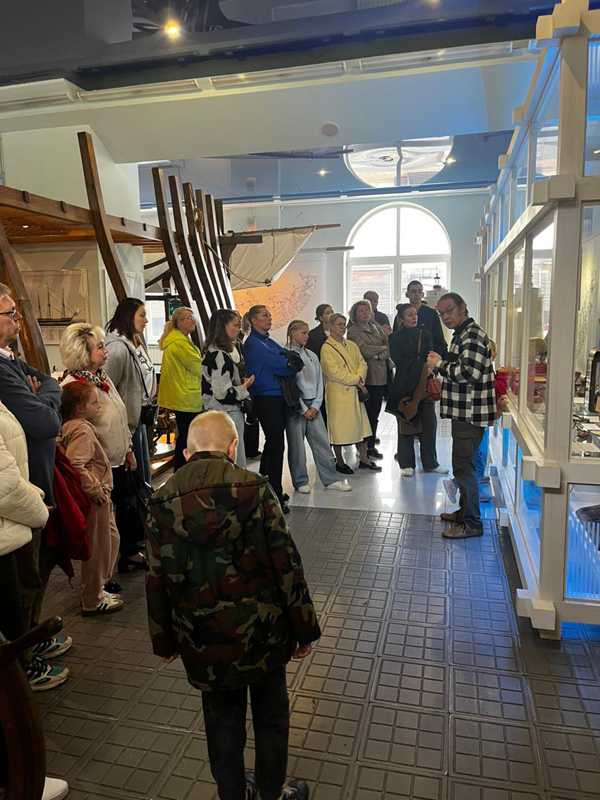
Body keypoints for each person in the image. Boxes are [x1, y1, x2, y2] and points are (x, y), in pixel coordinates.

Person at [146, 410, 320, 800]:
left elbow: (155, 578)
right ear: (232, 447)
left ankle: (233, 794)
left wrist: (164, 640)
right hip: (264, 634)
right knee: (272, 717)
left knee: (222, 724)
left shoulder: (161, 502)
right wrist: (304, 629)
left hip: (202, 639)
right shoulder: (256, 490)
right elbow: (286, 565)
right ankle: (272, 792)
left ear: (187, 454)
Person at [0, 283, 66, 687]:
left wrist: (44, 396)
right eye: (10, 313)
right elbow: (45, 423)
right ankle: (22, 661)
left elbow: (51, 383)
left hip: (36, 483)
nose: (18, 319)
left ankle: (32, 641)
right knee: (22, 583)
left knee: (36, 574)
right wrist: (45, 402)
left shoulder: (12, 361)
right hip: (23, 495)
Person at [59, 324, 141, 579]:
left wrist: (128, 449)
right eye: (100, 347)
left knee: (117, 522)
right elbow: (71, 434)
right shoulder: (74, 388)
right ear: (83, 354)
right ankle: (98, 583)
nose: (106, 351)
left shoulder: (101, 378)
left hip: (117, 461)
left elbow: (118, 414)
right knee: (101, 531)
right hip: (97, 470)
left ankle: (119, 562)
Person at [428, 292, 495, 539]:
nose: (445, 317)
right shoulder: (462, 334)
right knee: (463, 465)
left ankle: (472, 523)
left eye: (449, 310)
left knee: (464, 468)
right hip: (465, 412)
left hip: (470, 414)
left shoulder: (472, 334)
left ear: (463, 307)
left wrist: (439, 365)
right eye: (441, 313)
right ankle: (464, 513)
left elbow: (469, 373)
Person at [59, 382, 122, 616]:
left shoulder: (75, 426)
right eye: (95, 403)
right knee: (98, 547)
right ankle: (93, 598)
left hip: (99, 495)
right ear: (79, 408)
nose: (99, 407)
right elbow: (76, 463)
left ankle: (99, 588)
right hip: (95, 498)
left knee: (111, 539)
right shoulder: (82, 430)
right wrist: (96, 490)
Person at [285, 320, 351, 495]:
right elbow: (290, 386)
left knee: (322, 443)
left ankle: (331, 479)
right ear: (292, 333)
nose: (307, 336)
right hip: (296, 406)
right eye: (303, 333)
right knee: (297, 446)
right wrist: (302, 409)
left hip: (313, 404)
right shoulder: (285, 355)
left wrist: (315, 405)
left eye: (307, 332)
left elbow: (320, 381)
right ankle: (300, 481)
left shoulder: (312, 355)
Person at [243, 305, 297, 514]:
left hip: (277, 396)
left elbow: (289, 358)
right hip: (266, 397)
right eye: (265, 315)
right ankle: (274, 494)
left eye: (269, 315)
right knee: (276, 445)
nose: (270, 318)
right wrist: (288, 363)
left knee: (273, 445)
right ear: (253, 320)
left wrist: (288, 362)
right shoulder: (254, 343)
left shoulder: (267, 341)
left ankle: (268, 488)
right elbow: (282, 364)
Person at [387, 304, 448, 477]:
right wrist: (422, 368)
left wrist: (429, 368)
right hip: (404, 385)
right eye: (409, 315)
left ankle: (431, 462)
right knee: (406, 422)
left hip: (423, 384)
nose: (414, 318)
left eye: (415, 314)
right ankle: (407, 463)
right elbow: (398, 361)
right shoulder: (394, 338)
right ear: (401, 318)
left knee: (429, 424)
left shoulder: (425, 334)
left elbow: (430, 356)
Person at [320, 313, 381, 474]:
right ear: (331, 326)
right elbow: (334, 372)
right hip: (339, 394)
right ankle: (340, 461)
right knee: (339, 429)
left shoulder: (351, 345)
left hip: (355, 391)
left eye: (344, 324)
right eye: (339, 324)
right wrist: (356, 380)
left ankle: (364, 459)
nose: (343, 327)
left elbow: (362, 363)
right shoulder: (327, 348)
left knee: (362, 426)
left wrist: (359, 378)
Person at [105, 298, 156, 485]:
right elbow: (108, 387)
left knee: (143, 471)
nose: (146, 320)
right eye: (142, 315)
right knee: (135, 475)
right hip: (126, 420)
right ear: (128, 316)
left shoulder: (136, 341)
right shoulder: (117, 348)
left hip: (139, 414)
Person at [202, 309, 255, 467]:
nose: (238, 329)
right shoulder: (219, 355)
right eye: (235, 325)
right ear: (223, 327)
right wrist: (244, 387)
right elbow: (222, 393)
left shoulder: (212, 351)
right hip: (226, 413)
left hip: (216, 412)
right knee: (234, 461)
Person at [157, 307, 203, 472]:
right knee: (187, 438)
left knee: (185, 436)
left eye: (193, 317)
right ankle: (183, 472)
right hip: (186, 396)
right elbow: (198, 367)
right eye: (189, 318)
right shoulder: (179, 342)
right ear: (179, 322)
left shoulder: (180, 340)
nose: (193, 321)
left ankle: (183, 472)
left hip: (183, 395)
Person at [347, 299, 389, 460]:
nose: (365, 313)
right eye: (361, 311)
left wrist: (378, 354)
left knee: (375, 413)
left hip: (380, 376)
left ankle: (371, 446)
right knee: (363, 414)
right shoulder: (353, 331)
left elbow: (389, 347)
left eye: (367, 310)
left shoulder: (376, 327)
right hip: (365, 378)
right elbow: (362, 350)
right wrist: (381, 348)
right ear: (355, 315)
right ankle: (361, 447)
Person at [399, 280, 448, 356]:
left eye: (419, 291)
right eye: (413, 291)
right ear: (407, 294)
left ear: (423, 294)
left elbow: (438, 338)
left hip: (428, 355)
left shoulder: (431, 314)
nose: (416, 294)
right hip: (406, 356)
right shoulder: (401, 313)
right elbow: (397, 336)